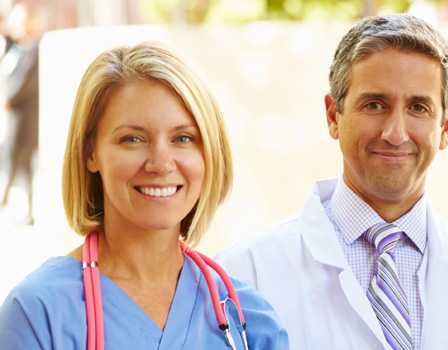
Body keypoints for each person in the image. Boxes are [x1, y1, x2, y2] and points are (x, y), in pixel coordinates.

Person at [218, 14, 448, 350]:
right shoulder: (245, 275)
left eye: (418, 107)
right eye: (374, 104)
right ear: (333, 116)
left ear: (446, 127)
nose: (395, 133)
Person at [0, 43, 288, 349]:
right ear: (90, 153)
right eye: (132, 139)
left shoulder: (249, 321)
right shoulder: (38, 314)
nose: (161, 164)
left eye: (183, 138)